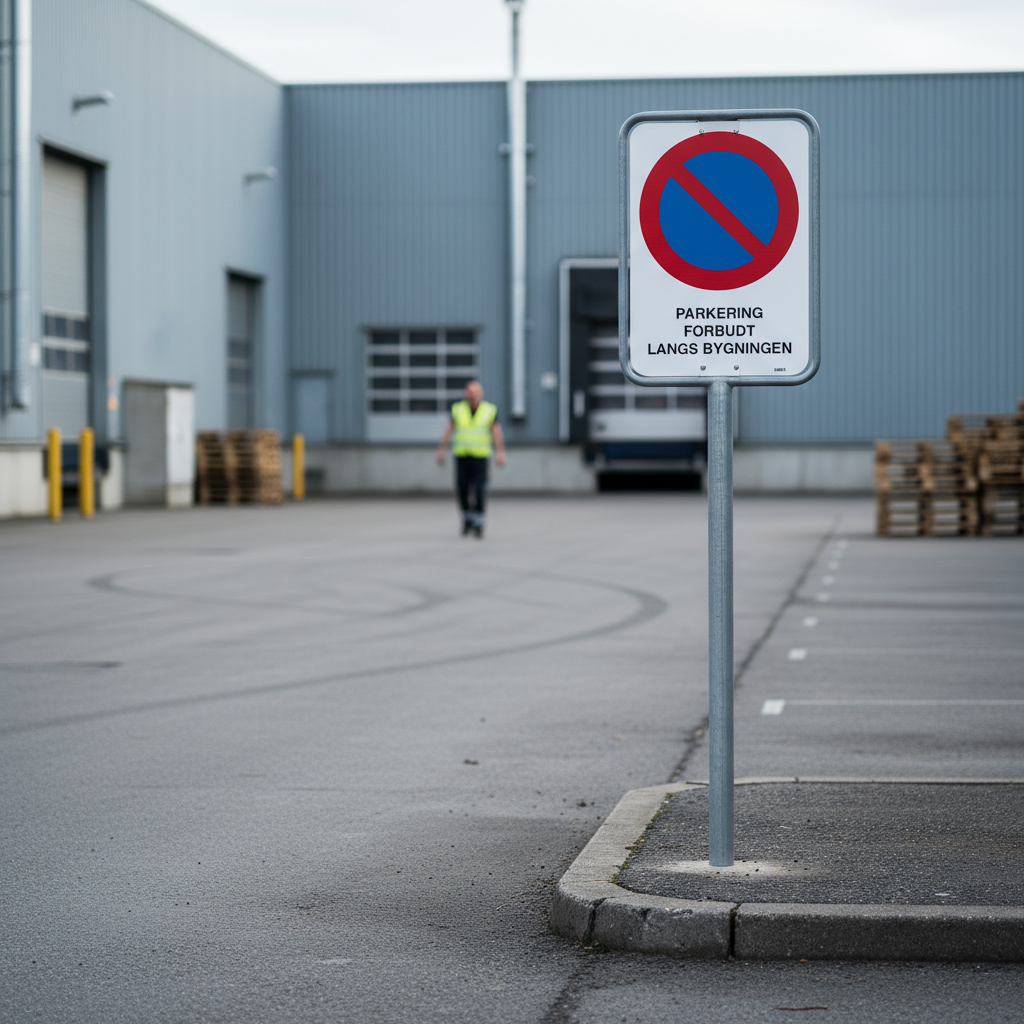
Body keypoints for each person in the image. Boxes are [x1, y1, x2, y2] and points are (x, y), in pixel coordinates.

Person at [435, 380, 506, 537]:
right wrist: (441, 449)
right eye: (471, 392)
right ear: (466, 393)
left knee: (479, 488)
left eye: (476, 392)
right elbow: (449, 429)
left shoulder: (489, 410)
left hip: (480, 456)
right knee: (462, 487)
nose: (474, 395)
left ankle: (479, 519)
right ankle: (467, 518)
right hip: (462, 455)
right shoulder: (458, 409)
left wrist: (500, 452)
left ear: (481, 394)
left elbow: (496, 432)